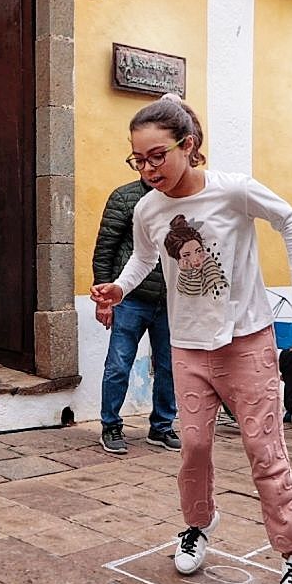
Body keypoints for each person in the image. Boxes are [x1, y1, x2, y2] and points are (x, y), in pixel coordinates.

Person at [91, 94, 292, 584]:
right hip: (188, 346)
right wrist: (120, 289)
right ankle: (198, 524)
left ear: (187, 146)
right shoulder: (148, 208)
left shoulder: (233, 190)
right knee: (192, 447)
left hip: (247, 344)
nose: (148, 169)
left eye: (157, 156)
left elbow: (290, 220)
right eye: (138, 159)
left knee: (265, 453)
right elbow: (146, 258)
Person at [93, 176, 178, 454]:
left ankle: (162, 426)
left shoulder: (181, 197)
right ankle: (111, 425)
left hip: (170, 301)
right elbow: (105, 249)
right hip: (131, 299)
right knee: (118, 364)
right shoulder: (125, 197)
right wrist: (104, 300)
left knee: (169, 367)